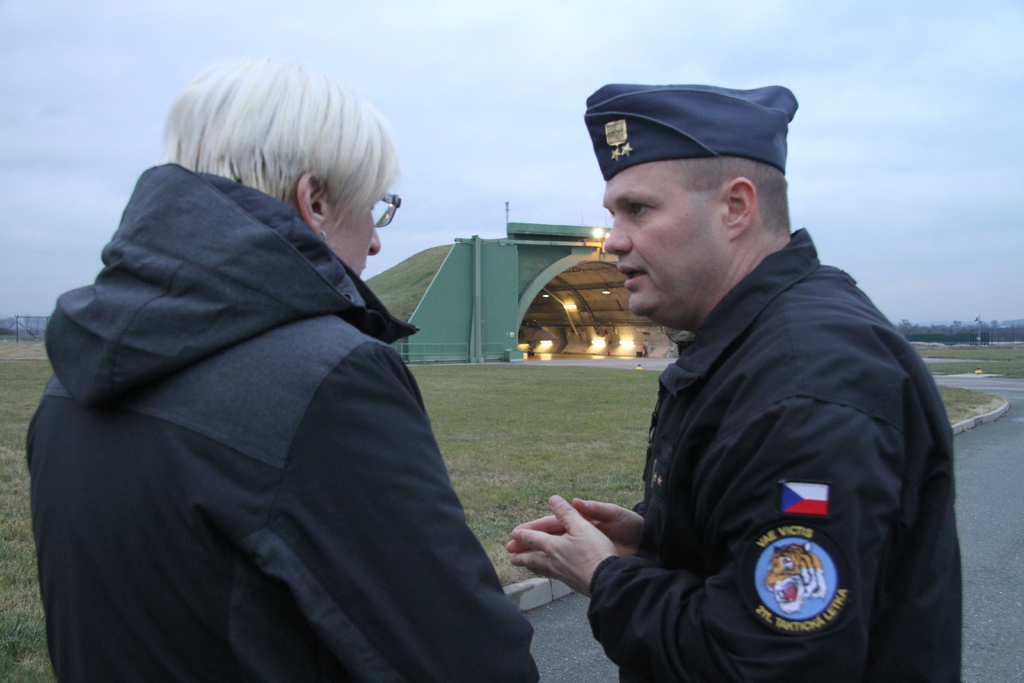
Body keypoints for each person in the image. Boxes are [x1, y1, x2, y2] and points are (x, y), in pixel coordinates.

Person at [28, 59, 538, 682]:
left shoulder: (70, 380)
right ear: (315, 200)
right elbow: (467, 660)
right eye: (375, 207)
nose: (377, 244)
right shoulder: (330, 378)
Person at [508, 84, 961, 682]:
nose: (612, 239)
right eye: (612, 213)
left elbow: (767, 663)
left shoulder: (804, 387)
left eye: (638, 209)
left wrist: (607, 577)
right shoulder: (755, 347)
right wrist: (657, 540)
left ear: (736, 208)